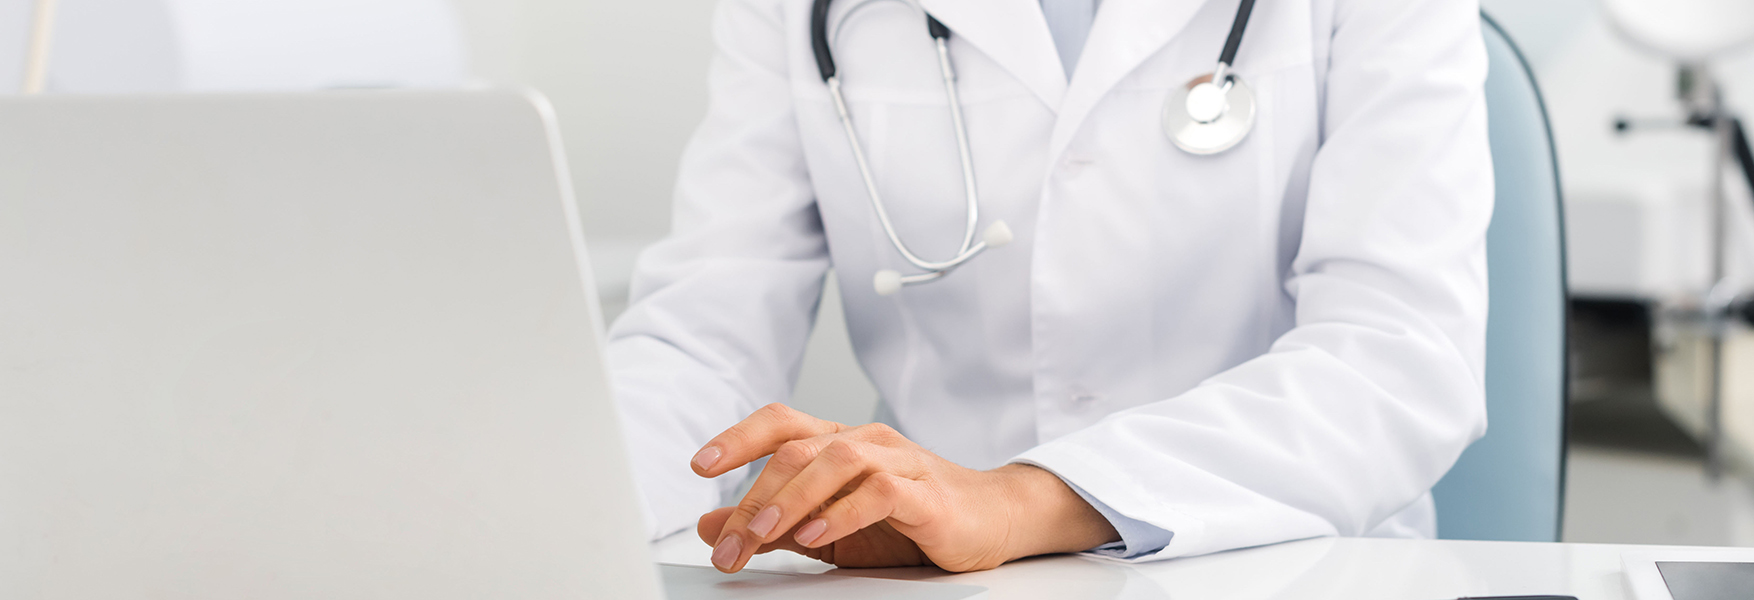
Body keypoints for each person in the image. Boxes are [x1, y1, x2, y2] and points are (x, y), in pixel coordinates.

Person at [606, 0, 1493, 573]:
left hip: (1287, 563)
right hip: (928, 573)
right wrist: (572, 508)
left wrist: (1016, 500)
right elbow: (702, 334)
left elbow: (1398, 358)